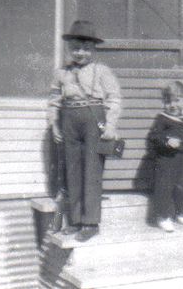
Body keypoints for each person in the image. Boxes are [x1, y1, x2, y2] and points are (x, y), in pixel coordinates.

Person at [48, 20, 122, 242]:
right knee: (72, 170)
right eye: (76, 48)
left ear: (93, 49)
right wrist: (54, 124)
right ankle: (76, 220)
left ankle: (90, 222)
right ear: (69, 48)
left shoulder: (102, 71)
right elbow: (53, 100)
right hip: (69, 120)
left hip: (93, 120)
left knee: (92, 171)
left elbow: (114, 99)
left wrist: (110, 125)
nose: (80, 53)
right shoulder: (61, 73)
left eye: (85, 48)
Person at [149, 81, 183, 232]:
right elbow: (154, 137)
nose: (173, 104)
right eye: (168, 101)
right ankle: (163, 217)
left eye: (177, 100)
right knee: (165, 188)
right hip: (167, 160)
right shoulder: (162, 119)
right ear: (164, 102)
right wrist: (167, 141)